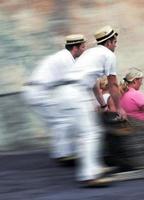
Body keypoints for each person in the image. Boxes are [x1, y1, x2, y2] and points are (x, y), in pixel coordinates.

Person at [54, 25, 125, 187]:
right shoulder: (108, 55)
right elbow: (113, 85)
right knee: (90, 133)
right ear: (109, 42)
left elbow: (93, 84)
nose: (115, 45)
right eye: (115, 42)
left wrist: (101, 104)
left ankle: (93, 167)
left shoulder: (90, 53)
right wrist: (119, 108)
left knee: (90, 131)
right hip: (76, 92)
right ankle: (89, 176)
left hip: (66, 93)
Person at [22, 34, 86, 163]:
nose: (84, 50)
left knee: (60, 121)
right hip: (38, 92)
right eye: (83, 47)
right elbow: (74, 84)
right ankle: (63, 155)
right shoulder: (66, 60)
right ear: (75, 48)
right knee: (62, 121)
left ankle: (63, 152)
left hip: (37, 91)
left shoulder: (64, 56)